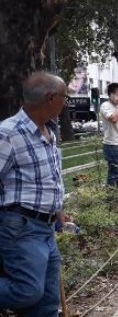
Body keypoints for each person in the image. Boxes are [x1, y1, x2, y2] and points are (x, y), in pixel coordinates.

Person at [0, 72, 69, 315]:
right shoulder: (8, 133)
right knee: (27, 291)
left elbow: (50, 178)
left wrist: (59, 213)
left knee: (48, 303)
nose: (65, 102)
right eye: (65, 97)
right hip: (21, 227)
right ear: (51, 98)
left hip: (46, 227)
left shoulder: (48, 132)